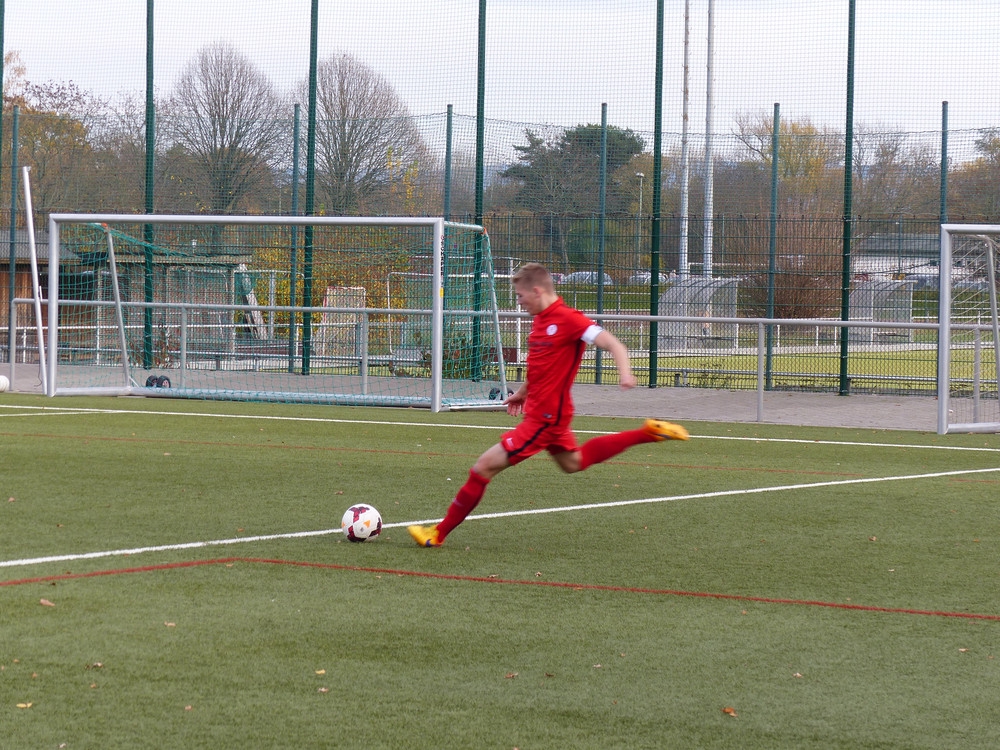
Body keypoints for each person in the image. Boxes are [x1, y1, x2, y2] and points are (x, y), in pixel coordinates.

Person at [408, 262, 689, 548]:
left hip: (546, 418)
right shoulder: (540, 319)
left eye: (520, 296)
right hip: (547, 414)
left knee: (482, 468)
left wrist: (625, 373)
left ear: (537, 290)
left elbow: (614, 344)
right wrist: (522, 393)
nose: (518, 302)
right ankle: (647, 432)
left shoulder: (570, 320)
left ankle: (438, 533)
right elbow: (541, 367)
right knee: (573, 463)